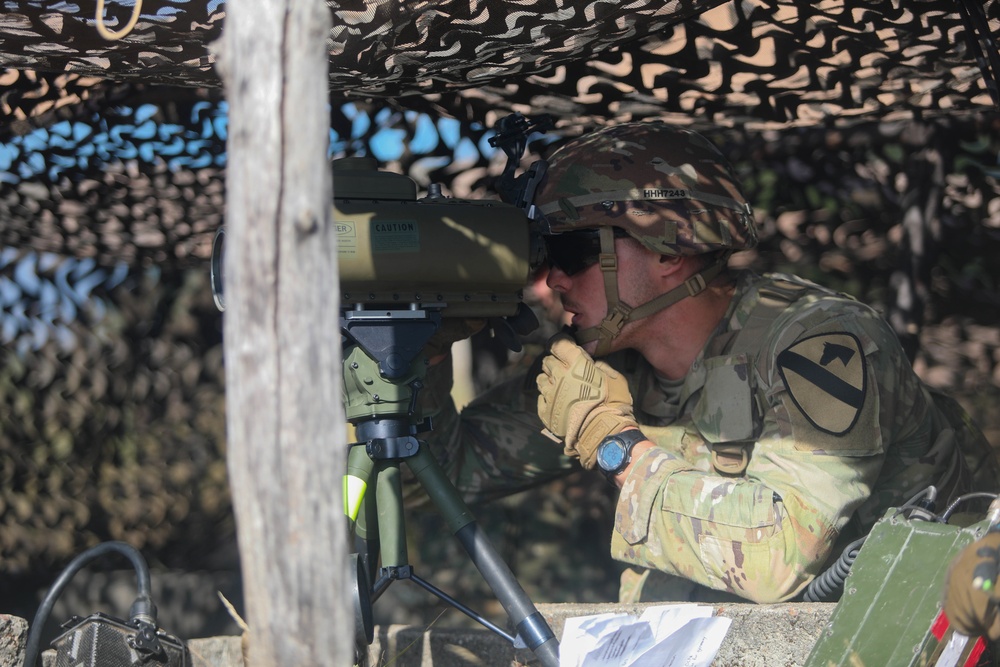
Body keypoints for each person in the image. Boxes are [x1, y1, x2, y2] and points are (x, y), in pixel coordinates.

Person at [416, 121, 995, 604]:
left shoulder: (819, 343)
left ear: (670, 249)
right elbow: (440, 478)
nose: (552, 280)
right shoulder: (603, 362)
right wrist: (423, 351)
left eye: (570, 250)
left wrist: (616, 446)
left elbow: (775, 561)